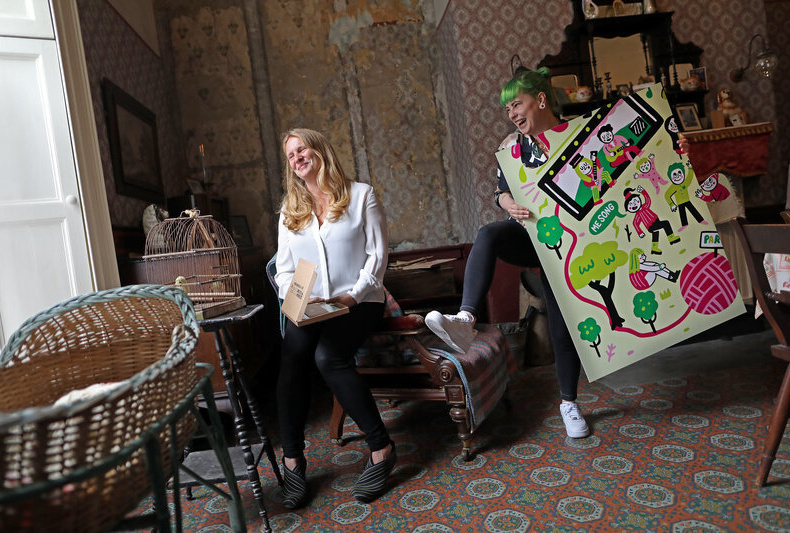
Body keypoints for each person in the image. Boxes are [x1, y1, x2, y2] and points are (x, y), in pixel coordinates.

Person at [425, 67, 590, 439]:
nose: (512, 113)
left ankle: (568, 402)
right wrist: (508, 202)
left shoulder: (580, 134)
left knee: (560, 318)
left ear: (541, 100)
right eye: (507, 109)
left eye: (517, 104)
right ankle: (465, 319)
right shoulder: (512, 147)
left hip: (574, 240)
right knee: (489, 234)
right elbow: (500, 191)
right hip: (533, 233)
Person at [274, 128, 395, 507]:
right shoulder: (290, 209)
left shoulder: (361, 196)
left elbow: (378, 255)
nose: (297, 158)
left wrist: (353, 295)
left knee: (328, 357)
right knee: (293, 355)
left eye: (302, 149)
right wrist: (297, 299)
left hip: (360, 301)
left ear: (320, 150)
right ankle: (293, 461)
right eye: (290, 155)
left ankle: (381, 448)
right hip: (314, 308)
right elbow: (284, 270)